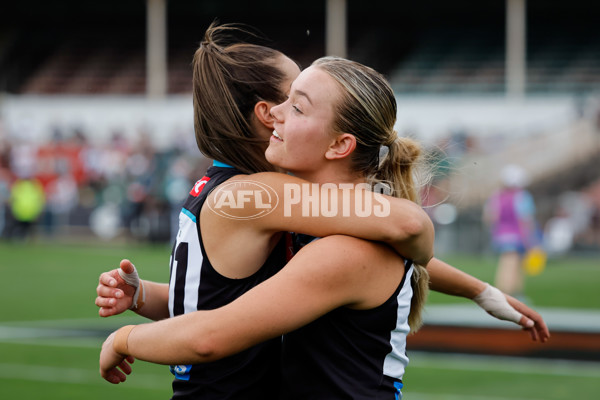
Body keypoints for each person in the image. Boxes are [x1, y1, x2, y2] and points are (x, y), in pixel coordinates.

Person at [96, 24, 549, 399]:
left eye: (296, 104)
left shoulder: (283, 209)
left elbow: (407, 231)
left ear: (339, 143)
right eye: (283, 100)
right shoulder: (262, 197)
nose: (276, 114)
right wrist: (479, 290)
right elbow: (406, 230)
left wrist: (125, 333)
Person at [484, 164, 538, 298]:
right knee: (511, 265)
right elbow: (525, 220)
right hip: (517, 236)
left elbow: (490, 217)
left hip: (501, 235)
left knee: (512, 264)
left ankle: (516, 294)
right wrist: (530, 239)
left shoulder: (496, 196)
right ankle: (504, 295)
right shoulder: (522, 197)